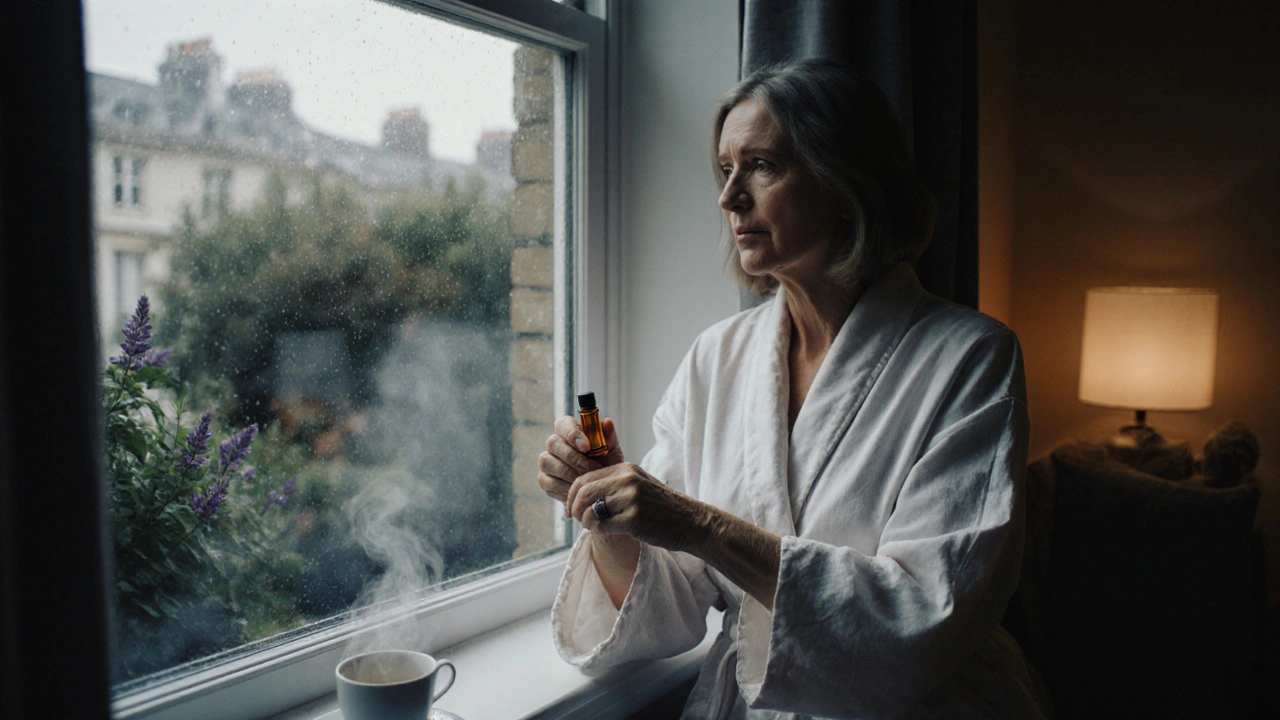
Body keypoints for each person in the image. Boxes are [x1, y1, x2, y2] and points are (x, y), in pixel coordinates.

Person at [537, 60, 1050, 719]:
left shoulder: (971, 358)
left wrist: (696, 523)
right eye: (726, 169)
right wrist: (610, 512)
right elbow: (672, 600)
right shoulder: (718, 357)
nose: (728, 198)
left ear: (846, 182)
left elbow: (924, 616)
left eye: (762, 166)